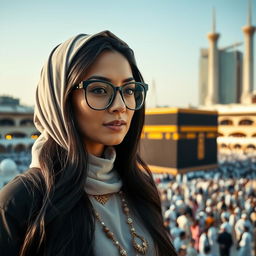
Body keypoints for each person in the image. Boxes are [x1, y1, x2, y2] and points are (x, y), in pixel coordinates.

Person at [0, 31, 177, 256]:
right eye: (100, 90)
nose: (120, 106)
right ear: (60, 99)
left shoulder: (139, 188)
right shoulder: (22, 202)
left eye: (129, 90)